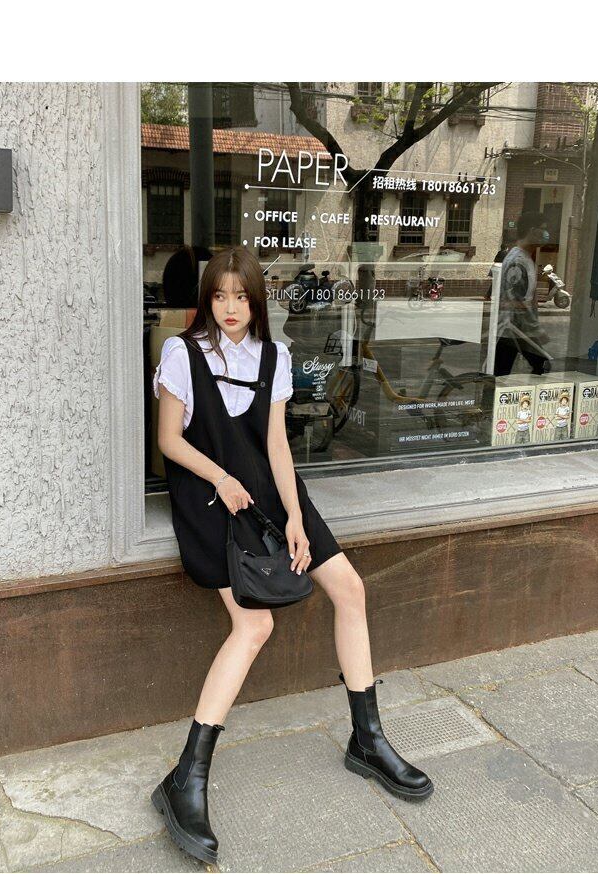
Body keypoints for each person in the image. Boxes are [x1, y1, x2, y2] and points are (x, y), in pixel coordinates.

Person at [149, 247, 433, 865]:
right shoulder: (182, 353)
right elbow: (169, 440)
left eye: (240, 296)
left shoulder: (273, 356)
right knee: (254, 626)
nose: (230, 308)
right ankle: (185, 777)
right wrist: (221, 478)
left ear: (256, 300)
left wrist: (297, 517)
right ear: (206, 298)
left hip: (273, 495)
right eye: (219, 295)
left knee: (351, 590)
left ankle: (367, 739)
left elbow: (277, 446)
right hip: (211, 499)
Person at [494, 211, 552, 376]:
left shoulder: (524, 258)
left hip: (515, 331)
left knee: (500, 375)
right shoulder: (518, 261)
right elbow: (515, 302)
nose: (546, 234)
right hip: (516, 330)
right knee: (542, 366)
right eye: (543, 229)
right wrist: (536, 330)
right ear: (532, 231)